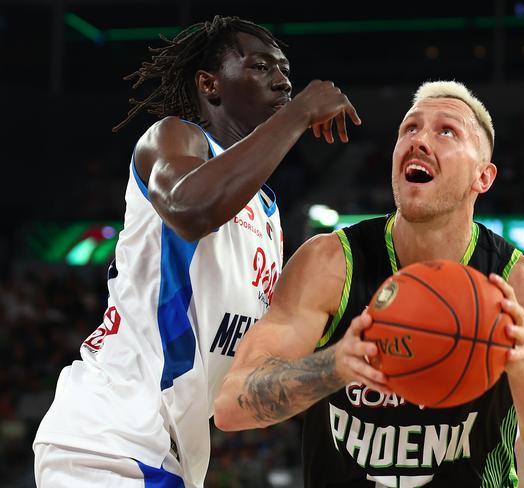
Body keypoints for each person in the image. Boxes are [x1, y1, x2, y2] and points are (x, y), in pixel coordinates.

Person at [32, 15, 361, 488]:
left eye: (285, 69)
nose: (283, 79)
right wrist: (299, 113)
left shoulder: (267, 214)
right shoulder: (173, 138)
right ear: (210, 84)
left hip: (170, 454)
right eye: (261, 66)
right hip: (106, 438)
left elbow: (250, 369)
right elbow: (190, 207)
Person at [214, 80, 524, 487]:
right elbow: (231, 406)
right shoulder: (331, 264)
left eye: (446, 131)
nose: (420, 140)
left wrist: (521, 365)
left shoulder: (523, 287)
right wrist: (334, 364)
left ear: (484, 176)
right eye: (409, 129)